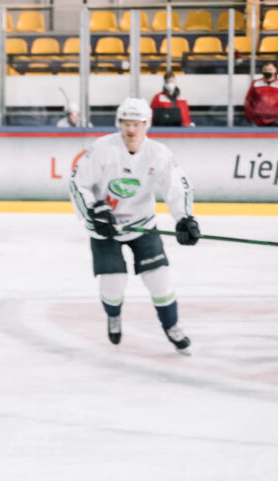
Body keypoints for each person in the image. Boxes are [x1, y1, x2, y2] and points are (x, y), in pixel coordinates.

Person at [69, 97, 201, 353]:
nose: (131, 129)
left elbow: (177, 186)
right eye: (126, 123)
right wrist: (93, 212)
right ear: (119, 124)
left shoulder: (159, 153)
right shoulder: (102, 148)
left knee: (159, 280)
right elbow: (78, 182)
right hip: (106, 228)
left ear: (146, 124)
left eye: (137, 124)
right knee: (114, 283)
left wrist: (185, 218)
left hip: (142, 224)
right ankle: (114, 315)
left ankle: (172, 326)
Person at [244, 62, 278, 127]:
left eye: (270, 69)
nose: (267, 71)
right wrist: (251, 117)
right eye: (265, 70)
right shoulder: (256, 83)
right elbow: (248, 101)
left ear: (275, 70)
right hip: (259, 120)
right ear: (262, 71)